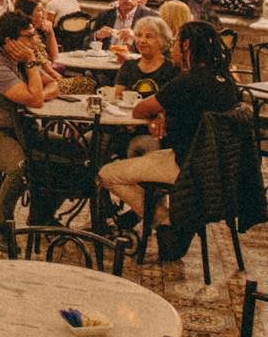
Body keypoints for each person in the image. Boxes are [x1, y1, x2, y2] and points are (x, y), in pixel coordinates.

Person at [100, 20, 239, 232]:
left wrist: (159, 111)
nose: (172, 48)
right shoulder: (224, 80)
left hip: (186, 166)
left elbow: (140, 110)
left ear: (186, 46)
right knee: (146, 156)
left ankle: (167, 222)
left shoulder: (187, 81)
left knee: (108, 174)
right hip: (217, 167)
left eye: (175, 43)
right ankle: (148, 221)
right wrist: (165, 113)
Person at [0, 12, 64, 251]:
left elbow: (53, 83)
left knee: (71, 151)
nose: (34, 41)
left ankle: (42, 212)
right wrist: (32, 70)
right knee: (20, 166)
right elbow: (35, 98)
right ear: (10, 41)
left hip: (18, 129)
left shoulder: (13, 59)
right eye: (28, 36)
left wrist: (36, 92)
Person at [113, 15, 178, 98]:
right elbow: (118, 96)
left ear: (162, 40)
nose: (142, 41)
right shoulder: (128, 66)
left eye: (148, 37)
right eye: (139, 35)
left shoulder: (171, 69)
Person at [89, 0, 157, 48]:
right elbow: (86, 42)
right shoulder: (105, 15)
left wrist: (135, 38)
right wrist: (97, 36)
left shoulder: (150, 17)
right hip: (106, 56)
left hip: (135, 57)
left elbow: (159, 45)